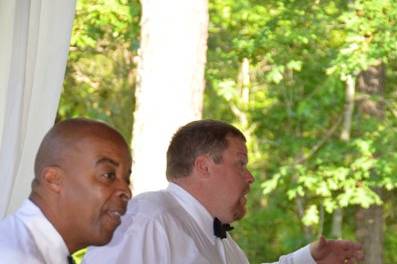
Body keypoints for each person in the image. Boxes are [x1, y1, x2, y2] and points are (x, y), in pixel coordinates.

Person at [84, 119, 364, 264]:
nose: (250, 177)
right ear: (204, 166)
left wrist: (308, 260)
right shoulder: (147, 218)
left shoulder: (226, 246)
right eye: (240, 163)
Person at [0, 118, 132, 264]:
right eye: (108, 175)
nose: (126, 191)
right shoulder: (14, 257)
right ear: (53, 179)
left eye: (127, 179)